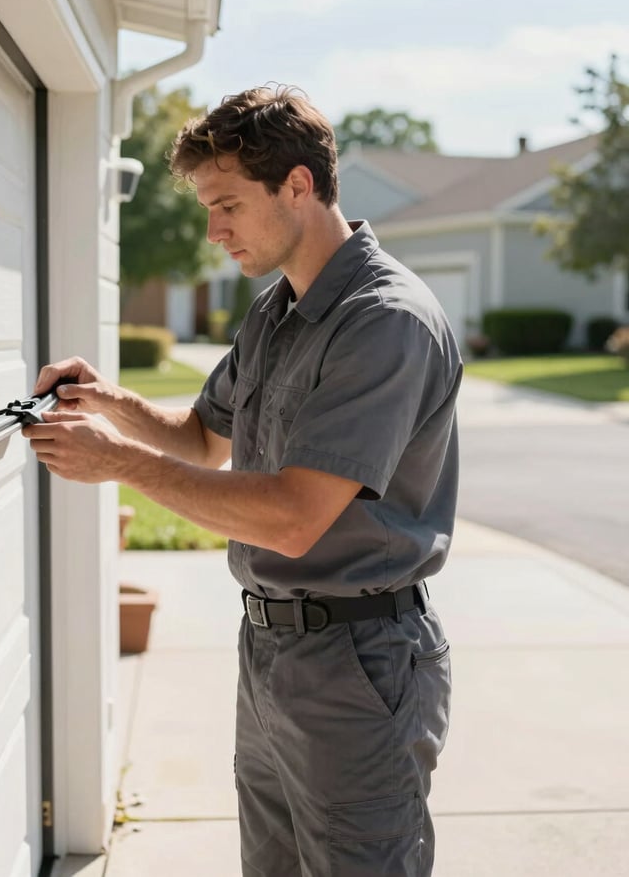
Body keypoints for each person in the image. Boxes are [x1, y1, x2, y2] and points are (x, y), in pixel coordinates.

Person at [24, 84, 462, 877]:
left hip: (359, 662)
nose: (212, 230)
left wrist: (116, 463)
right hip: (270, 649)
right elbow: (201, 441)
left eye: (226, 204)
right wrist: (106, 401)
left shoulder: (384, 321)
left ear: (298, 184)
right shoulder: (276, 312)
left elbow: (296, 517)